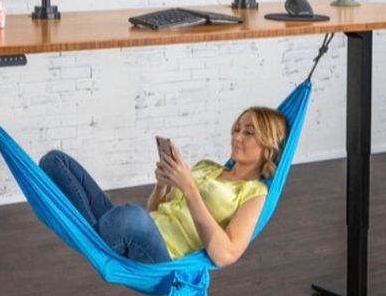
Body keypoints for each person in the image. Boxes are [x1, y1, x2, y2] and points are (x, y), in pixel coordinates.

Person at [38, 107, 289, 267]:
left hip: (163, 255)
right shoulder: (209, 167)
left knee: (128, 217)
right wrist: (161, 186)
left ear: (268, 144)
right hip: (139, 232)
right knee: (55, 162)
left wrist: (190, 190)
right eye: (236, 129)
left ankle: (96, 239)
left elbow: (226, 255)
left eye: (248, 133)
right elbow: (156, 211)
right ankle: (97, 237)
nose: (236, 136)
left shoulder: (255, 193)